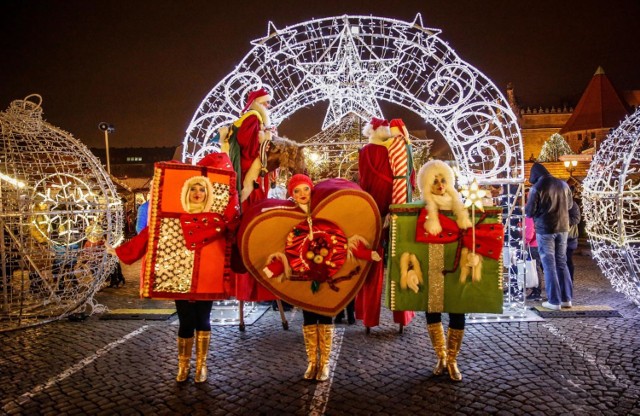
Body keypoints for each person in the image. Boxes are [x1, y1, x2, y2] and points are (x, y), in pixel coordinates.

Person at [107, 153, 239, 384]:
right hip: (179, 277)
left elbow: (235, 233)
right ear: (186, 192)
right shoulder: (172, 218)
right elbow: (150, 235)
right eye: (193, 189)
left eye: (202, 189)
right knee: (186, 322)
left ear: (207, 193)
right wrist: (120, 251)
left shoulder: (221, 218)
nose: (197, 193)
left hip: (206, 277)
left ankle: (201, 366)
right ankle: (183, 365)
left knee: (204, 321)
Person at [261, 174, 381, 381]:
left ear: (311, 190)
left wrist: (364, 253)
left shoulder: (324, 214)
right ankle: (312, 363)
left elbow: (343, 241)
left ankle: (324, 363)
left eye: (305, 189)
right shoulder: (288, 217)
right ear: (292, 194)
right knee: (308, 318)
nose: (302, 195)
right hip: (304, 278)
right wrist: (274, 267)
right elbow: (283, 247)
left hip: (327, 275)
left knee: (325, 316)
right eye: (297, 191)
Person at [357, 117, 416, 332]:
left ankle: (367, 315)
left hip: (373, 210)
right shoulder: (398, 147)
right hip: (397, 206)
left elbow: (363, 182)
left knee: (372, 263)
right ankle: (403, 314)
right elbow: (409, 177)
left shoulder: (364, 152)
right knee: (401, 259)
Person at [419, 159, 472, 382]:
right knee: (432, 312)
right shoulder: (422, 210)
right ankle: (440, 356)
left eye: (443, 180)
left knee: (457, 311)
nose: (440, 185)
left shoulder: (460, 207)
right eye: (435, 181)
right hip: (432, 267)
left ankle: (452, 359)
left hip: (456, 266)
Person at [525, 162, 573, 310]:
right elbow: (570, 205)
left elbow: (529, 212)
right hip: (563, 228)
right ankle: (566, 299)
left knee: (549, 265)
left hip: (545, 229)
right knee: (561, 262)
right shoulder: (563, 184)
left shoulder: (537, 187)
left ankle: (554, 301)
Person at [567, 189, 581, 282]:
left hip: (569, 237)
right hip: (560, 235)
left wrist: (562, 220)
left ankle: (569, 280)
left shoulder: (572, 205)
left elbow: (576, 219)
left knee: (567, 259)